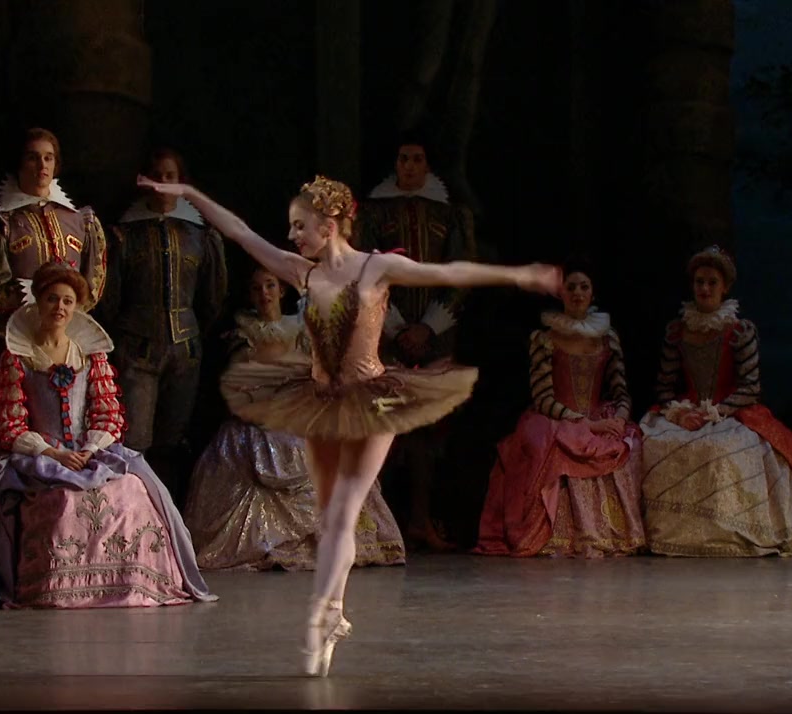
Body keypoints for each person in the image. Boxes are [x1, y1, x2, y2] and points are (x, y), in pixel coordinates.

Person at [140, 174, 558, 676]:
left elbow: (449, 272)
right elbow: (240, 233)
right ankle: (332, 614)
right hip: (321, 402)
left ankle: (324, 613)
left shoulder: (376, 268)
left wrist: (520, 275)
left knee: (344, 508)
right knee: (333, 517)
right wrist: (189, 193)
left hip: (372, 400)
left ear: (330, 224)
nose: (293, 235)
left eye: (301, 226)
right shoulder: (302, 272)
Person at [0, 262, 215, 608]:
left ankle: (131, 582)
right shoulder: (18, 357)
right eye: (52, 299)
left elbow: (108, 414)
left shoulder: (90, 355)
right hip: (41, 456)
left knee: (132, 488)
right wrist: (53, 453)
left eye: (67, 301)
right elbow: (9, 424)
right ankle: (62, 586)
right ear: (38, 301)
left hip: (87, 451)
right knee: (65, 500)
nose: (59, 307)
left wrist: (90, 449)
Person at [183, 265, 405, 571]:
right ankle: (268, 543)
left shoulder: (300, 331)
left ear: (281, 290)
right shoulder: (242, 334)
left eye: (270, 286)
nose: (264, 294)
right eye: (256, 288)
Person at [639, 246, 792, 556]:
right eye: (700, 282)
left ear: (725, 287)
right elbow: (664, 387)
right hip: (687, 411)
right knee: (656, 444)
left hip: (730, 413)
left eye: (712, 282)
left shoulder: (738, 331)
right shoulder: (677, 332)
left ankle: (727, 533)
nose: (705, 289)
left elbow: (750, 387)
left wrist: (716, 411)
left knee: (723, 448)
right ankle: (672, 535)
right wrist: (680, 414)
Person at [474, 260, 646, 557]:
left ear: (592, 293)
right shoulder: (546, 339)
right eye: (571, 287)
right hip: (557, 417)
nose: (577, 293)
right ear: (560, 293)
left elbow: (620, 390)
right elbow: (543, 397)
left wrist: (619, 418)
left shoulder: (607, 337)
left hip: (600, 413)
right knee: (554, 448)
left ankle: (613, 532)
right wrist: (585, 424)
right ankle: (562, 533)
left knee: (625, 444)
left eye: (584, 287)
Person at [357, 136, 478, 551]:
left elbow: (461, 273)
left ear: (428, 165)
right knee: (383, 426)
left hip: (436, 337)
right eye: (403, 158)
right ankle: (374, 526)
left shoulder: (449, 214)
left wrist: (428, 327)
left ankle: (420, 520)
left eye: (417, 159)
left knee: (429, 431)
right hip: (386, 335)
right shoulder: (375, 211)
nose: (409, 165)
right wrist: (394, 327)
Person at [99, 147, 227, 496]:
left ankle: (169, 511)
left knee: (172, 440)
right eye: (157, 176)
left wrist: (192, 333)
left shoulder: (199, 236)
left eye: (170, 176)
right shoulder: (125, 235)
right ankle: (136, 512)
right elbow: (110, 298)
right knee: (135, 439)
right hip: (136, 349)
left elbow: (212, 298)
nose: (163, 183)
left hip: (185, 350)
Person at [0, 127, 108, 335]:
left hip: (69, 333)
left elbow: (93, 287)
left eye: (48, 158)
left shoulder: (83, 222)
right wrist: (38, 296)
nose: (42, 165)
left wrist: (66, 305)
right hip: (18, 332)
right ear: (19, 163)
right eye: (33, 158)